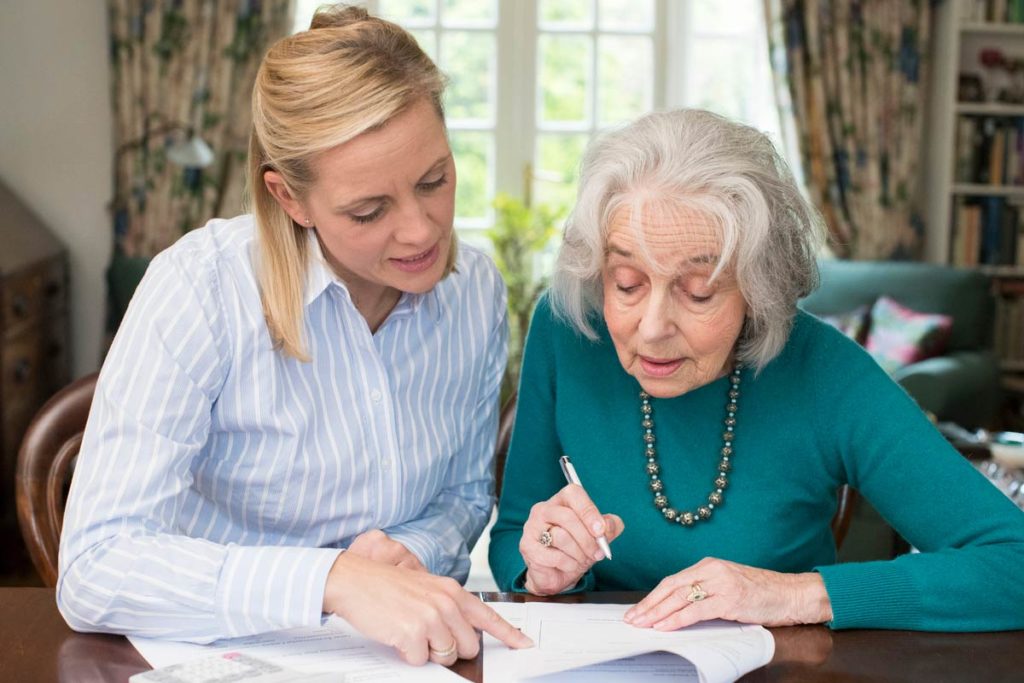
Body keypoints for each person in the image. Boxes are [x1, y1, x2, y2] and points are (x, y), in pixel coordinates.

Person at [58, 4, 532, 664]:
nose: (422, 230)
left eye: (435, 180)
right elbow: (95, 565)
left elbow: (462, 496)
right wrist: (332, 580)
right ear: (288, 198)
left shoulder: (475, 292)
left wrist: (408, 556)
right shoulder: (200, 289)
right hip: (216, 654)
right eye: (368, 210)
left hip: (398, 657)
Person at [489, 108, 1024, 631]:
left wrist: (793, 594)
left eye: (698, 292)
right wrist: (542, 567)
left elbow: (1012, 563)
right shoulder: (568, 329)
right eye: (626, 282)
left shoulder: (824, 371)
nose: (652, 328)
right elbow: (514, 535)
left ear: (759, 288)